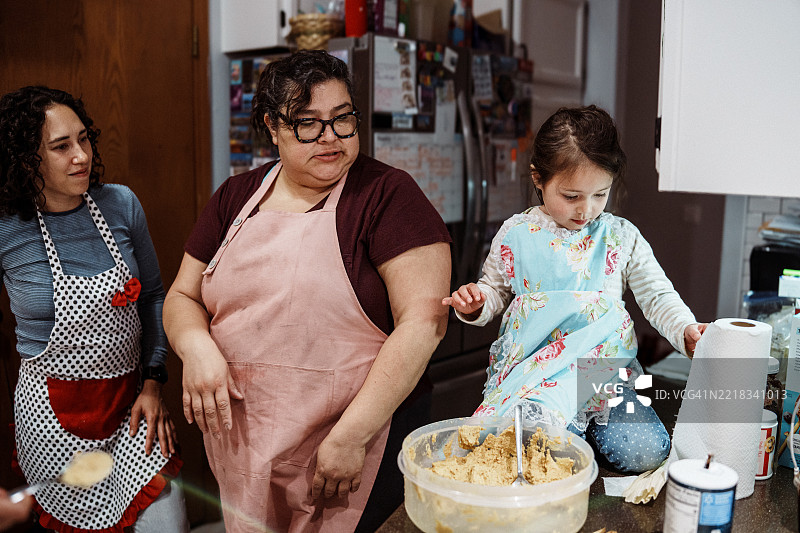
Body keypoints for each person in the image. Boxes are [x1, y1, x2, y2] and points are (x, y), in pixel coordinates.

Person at [163, 50, 451, 532]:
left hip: (356, 441)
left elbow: (424, 322)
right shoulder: (235, 197)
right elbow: (182, 297)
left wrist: (351, 436)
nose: (331, 138)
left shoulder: (387, 195)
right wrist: (196, 347)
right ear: (272, 126)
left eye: (343, 120)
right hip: (250, 444)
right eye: (308, 124)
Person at [443, 105, 707, 474]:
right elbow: (495, 292)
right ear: (539, 179)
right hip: (538, 371)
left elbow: (658, 295)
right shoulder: (516, 235)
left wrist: (685, 329)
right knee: (541, 453)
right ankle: (567, 435)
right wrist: (475, 304)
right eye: (572, 196)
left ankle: (586, 428)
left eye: (600, 194)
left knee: (646, 452)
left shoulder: (621, 237)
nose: (587, 210)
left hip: (603, 372)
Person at [0, 86, 189, 532]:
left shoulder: (121, 203)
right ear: (27, 159)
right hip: (50, 423)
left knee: (167, 520)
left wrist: (153, 382)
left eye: (83, 140)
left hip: (133, 406)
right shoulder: (7, 227)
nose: (80, 156)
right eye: (61, 147)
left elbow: (153, 296)